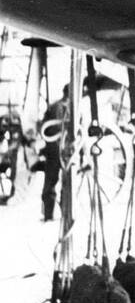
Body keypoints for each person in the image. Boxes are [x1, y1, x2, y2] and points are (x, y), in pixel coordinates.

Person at [36, 85, 70, 222]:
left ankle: (52, 214)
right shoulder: (61, 107)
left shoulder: (59, 106)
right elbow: (52, 128)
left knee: (52, 182)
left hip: (58, 149)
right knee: (60, 182)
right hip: (59, 150)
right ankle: (59, 214)